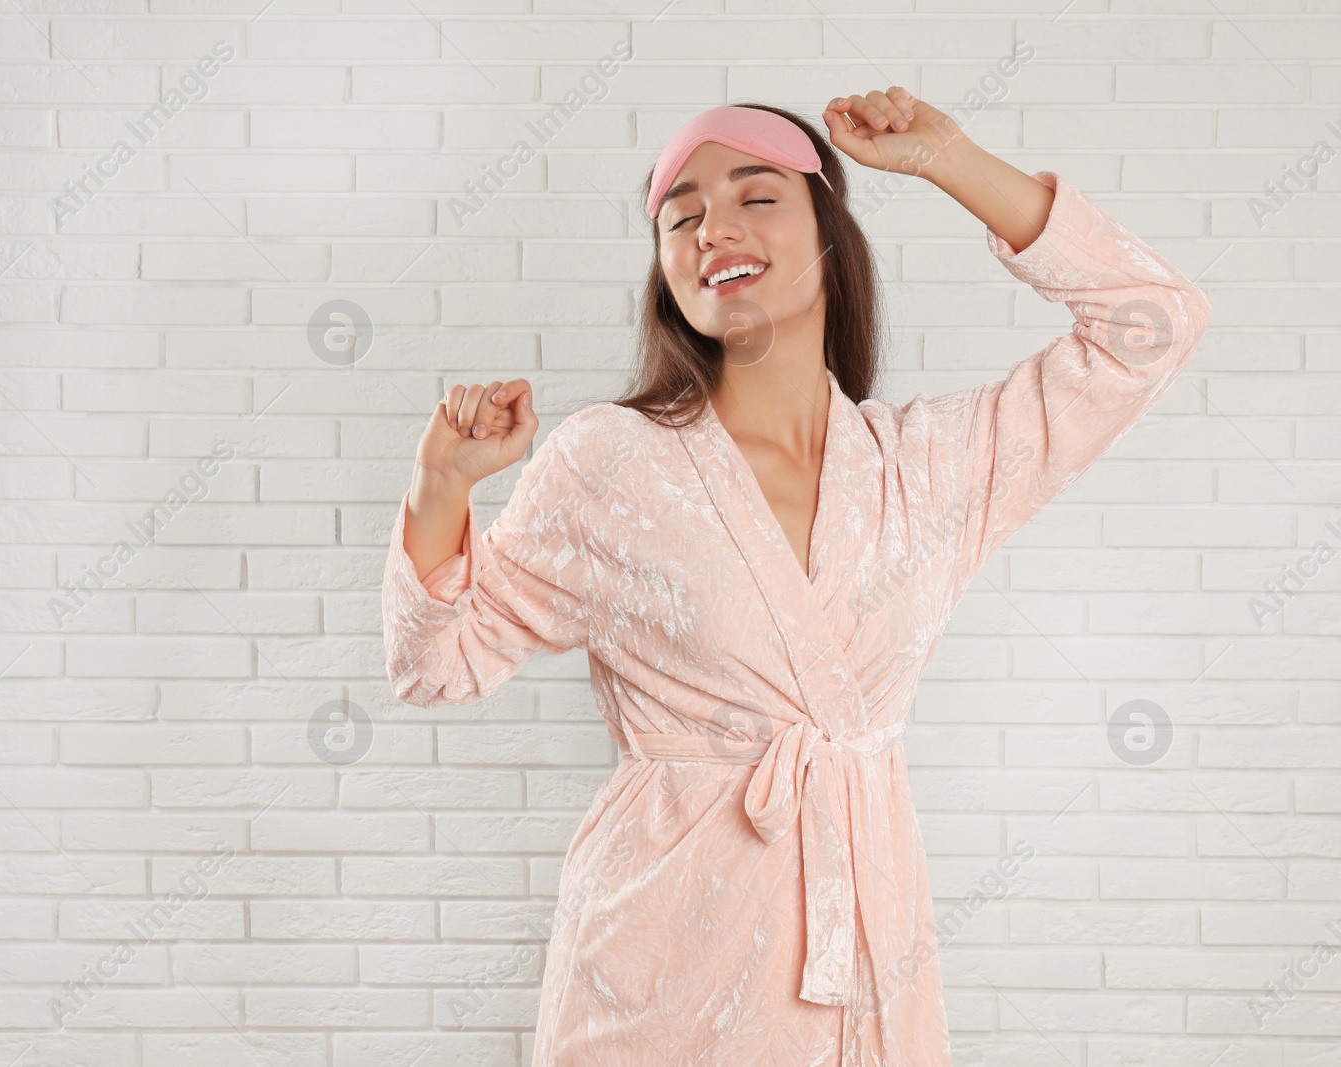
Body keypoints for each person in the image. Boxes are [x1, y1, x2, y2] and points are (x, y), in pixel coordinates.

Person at [380, 91, 1213, 1066]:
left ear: (828, 228)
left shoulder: (925, 469)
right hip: (656, 972)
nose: (713, 227)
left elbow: (1152, 321)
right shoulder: (609, 461)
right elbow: (435, 666)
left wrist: (949, 157)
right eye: (679, 215)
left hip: (866, 964)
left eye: (756, 195)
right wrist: (442, 484)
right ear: (664, 272)